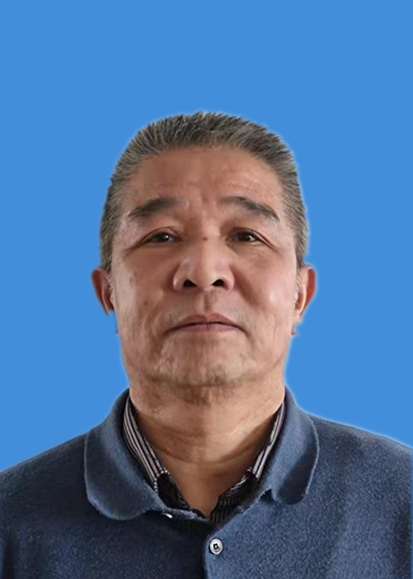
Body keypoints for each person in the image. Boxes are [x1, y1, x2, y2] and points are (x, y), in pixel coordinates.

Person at [0, 112, 410, 578]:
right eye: (162, 236)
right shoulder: (11, 526)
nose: (204, 270)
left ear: (301, 295)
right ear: (108, 292)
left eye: (246, 235)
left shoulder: (403, 504)